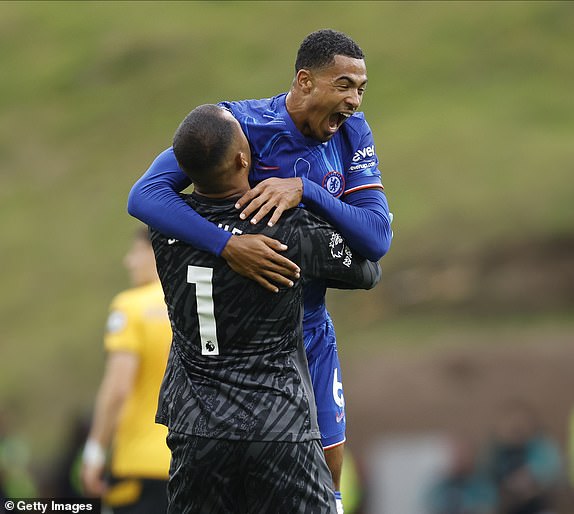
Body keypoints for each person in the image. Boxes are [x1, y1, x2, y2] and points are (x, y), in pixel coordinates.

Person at [128, 29, 392, 512]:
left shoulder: (354, 133)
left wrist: (306, 191)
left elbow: (377, 239)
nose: (354, 100)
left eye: (361, 88)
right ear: (305, 81)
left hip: (308, 329)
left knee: (331, 464)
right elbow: (144, 196)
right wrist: (228, 245)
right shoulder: (241, 125)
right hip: (242, 340)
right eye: (344, 85)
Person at [80, 228, 172, 514]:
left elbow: (118, 387)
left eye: (136, 253)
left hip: (140, 464)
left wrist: (95, 452)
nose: (129, 261)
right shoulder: (193, 305)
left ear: (154, 254)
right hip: (192, 460)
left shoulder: (131, 307)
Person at [484, 399, 562, 514]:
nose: (516, 428)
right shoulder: (497, 452)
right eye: (511, 423)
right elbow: (489, 481)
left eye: (521, 423)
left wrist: (533, 478)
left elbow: (553, 474)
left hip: (539, 504)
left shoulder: (542, 447)